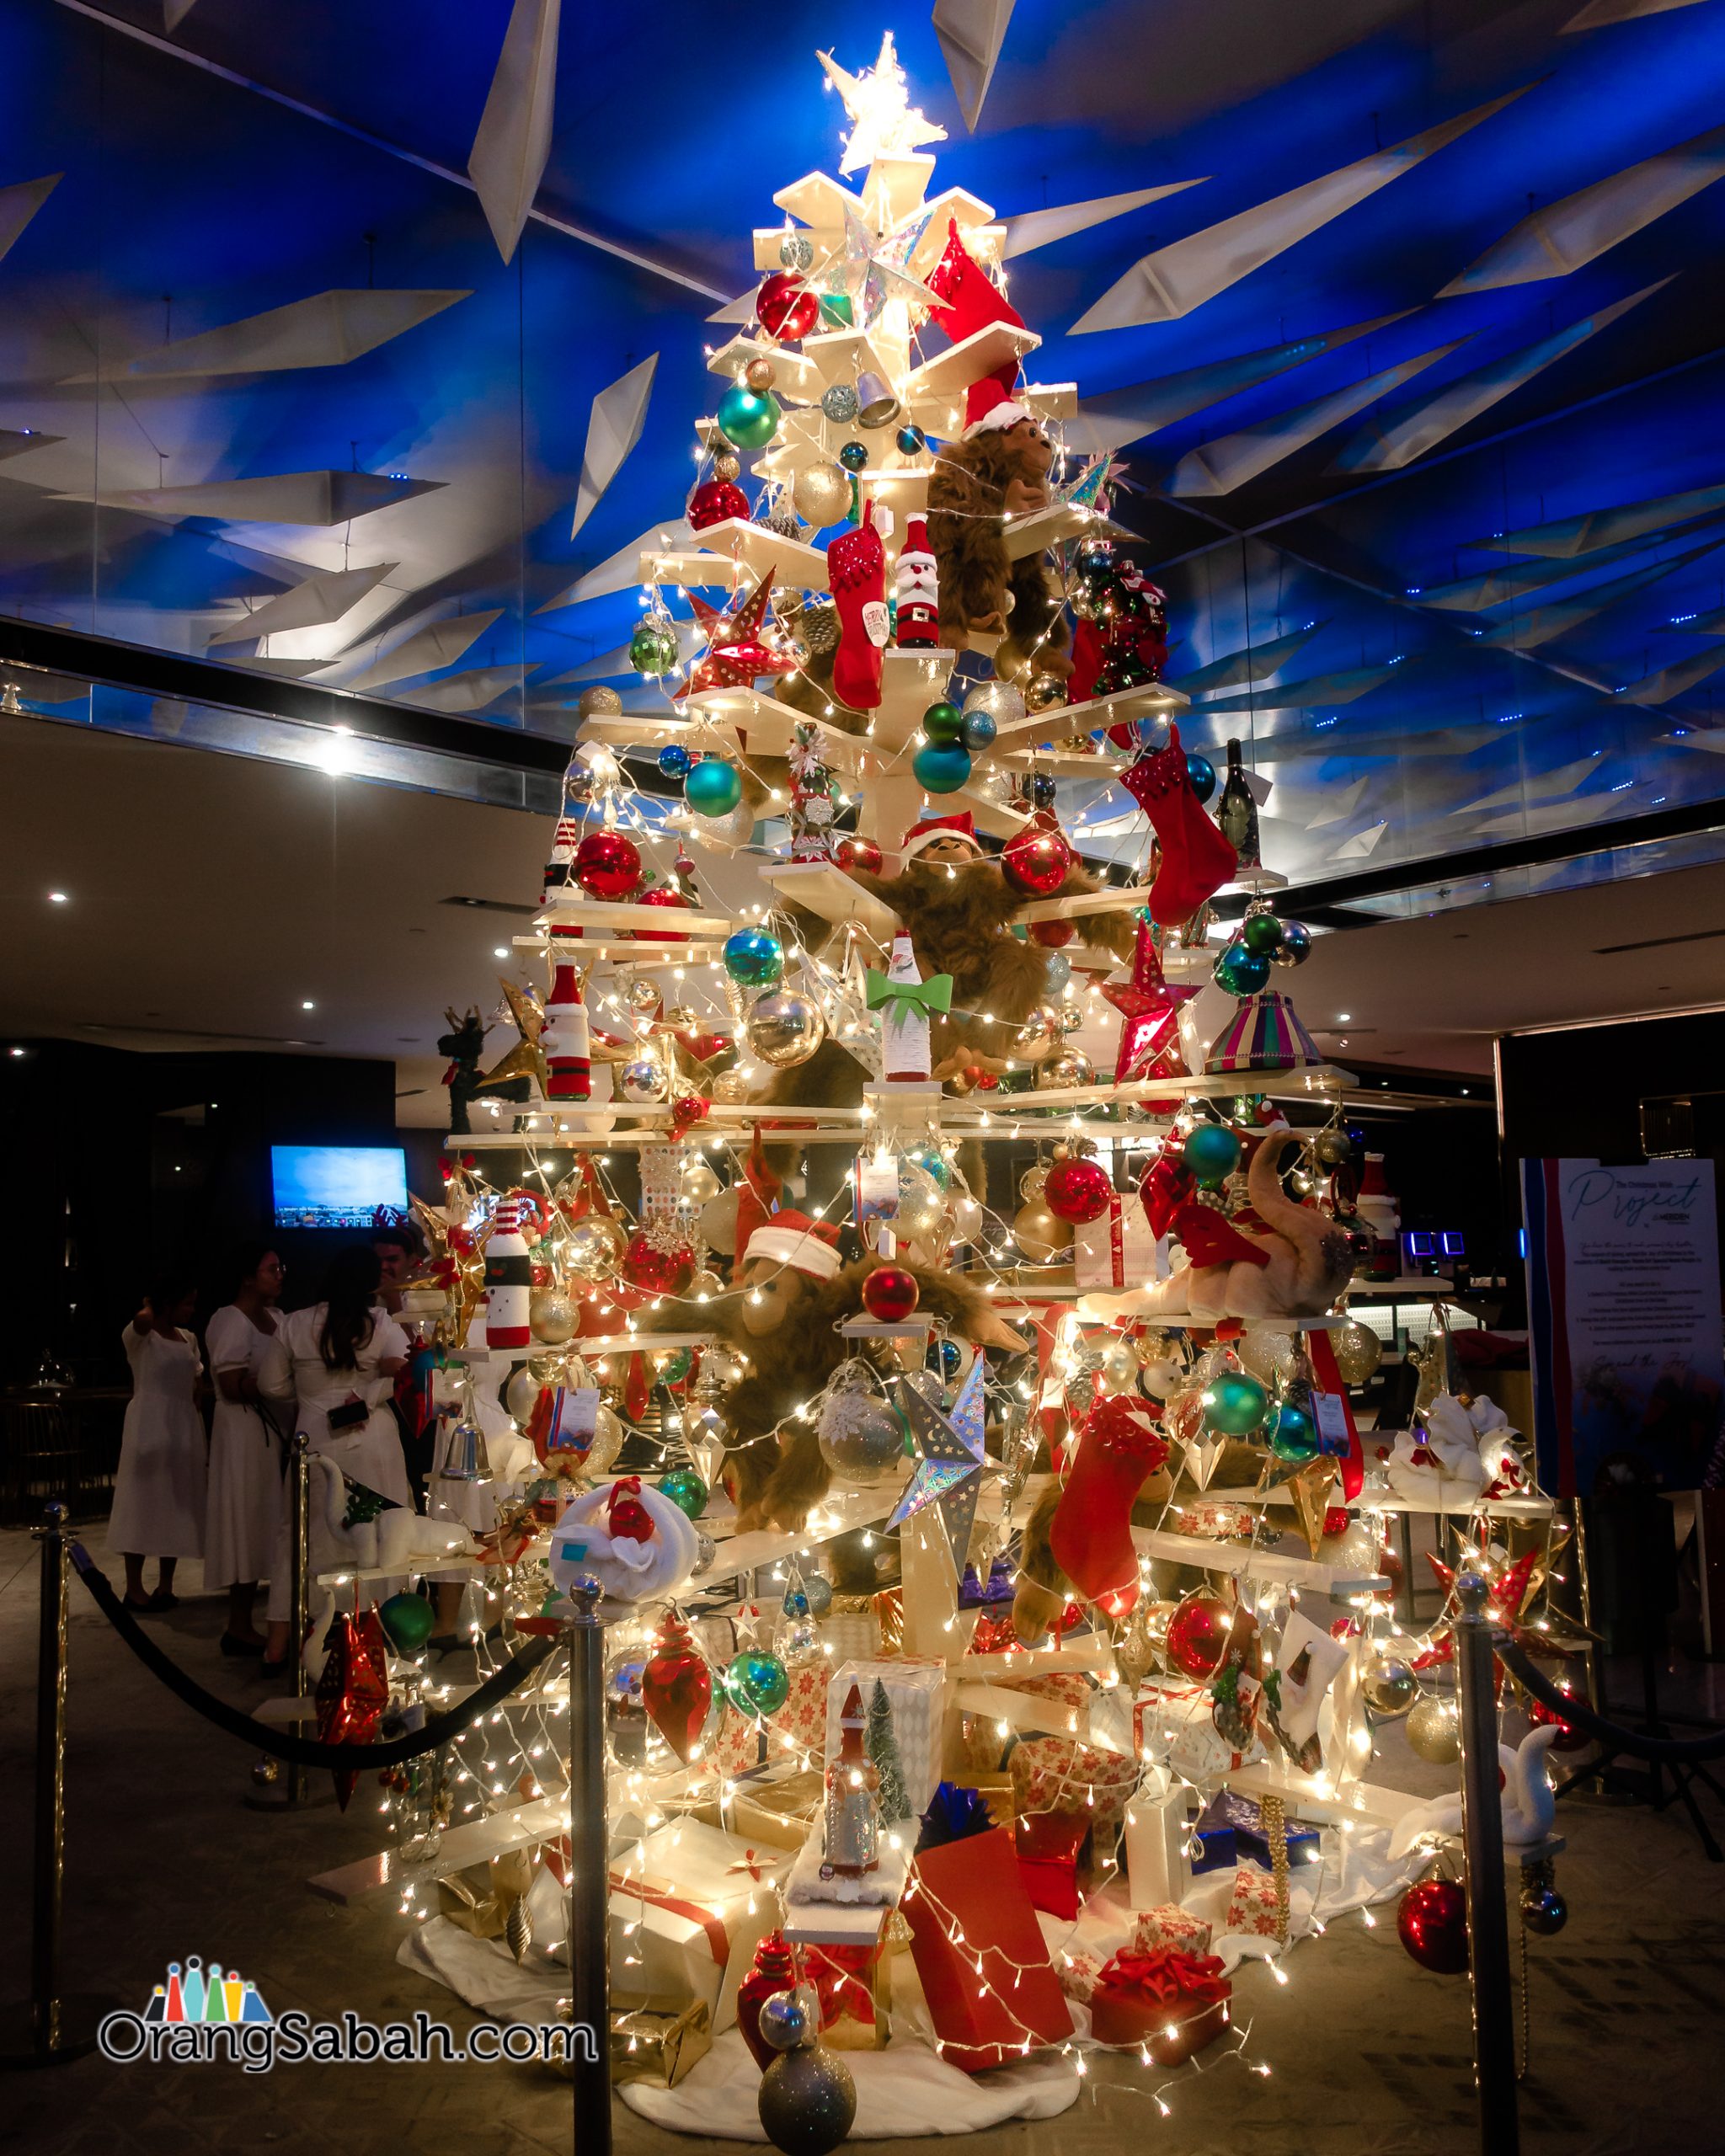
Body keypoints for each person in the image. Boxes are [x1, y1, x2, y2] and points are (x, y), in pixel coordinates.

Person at [259, 1245, 409, 1672]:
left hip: (313, 1437)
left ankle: (279, 1645)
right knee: (381, 1531)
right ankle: (374, 1641)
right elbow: (406, 1372)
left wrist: (310, 1399)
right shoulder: (380, 1323)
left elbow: (270, 1385)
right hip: (371, 1435)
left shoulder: (292, 1324)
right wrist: (367, 1393)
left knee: (301, 1535)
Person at [203, 1245, 286, 1657]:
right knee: (244, 1515)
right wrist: (277, 1383)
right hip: (241, 1430)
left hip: (269, 1429)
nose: (279, 1274)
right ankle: (238, 1623)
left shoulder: (276, 1318)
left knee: (265, 1518)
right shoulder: (229, 1319)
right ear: (248, 1276)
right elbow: (232, 1386)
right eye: (271, 1268)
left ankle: (265, 1617)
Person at [109, 1273, 206, 1612]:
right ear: (168, 1303)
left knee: (175, 1505)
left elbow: (195, 1380)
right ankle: (134, 1587)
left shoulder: (188, 1338)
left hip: (181, 1423)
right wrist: (153, 1303)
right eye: (186, 1302)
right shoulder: (143, 1337)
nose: (192, 1309)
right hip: (149, 1423)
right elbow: (141, 1319)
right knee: (143, 1501)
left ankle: (166, 1584)